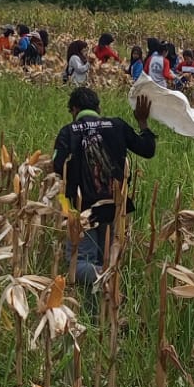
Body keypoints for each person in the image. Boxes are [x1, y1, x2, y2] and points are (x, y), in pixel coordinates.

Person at [52, 87, 156, 293]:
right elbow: (148, 149)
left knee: (80, 262)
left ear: (74, 109)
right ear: (98, 107)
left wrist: (66, 204)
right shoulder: (116, 125)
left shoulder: (68, 131)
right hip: (114, 208)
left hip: (83, 210)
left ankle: (105, 278)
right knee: (106, 255)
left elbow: (57, 166)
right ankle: (107, 294)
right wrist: (142, 122)